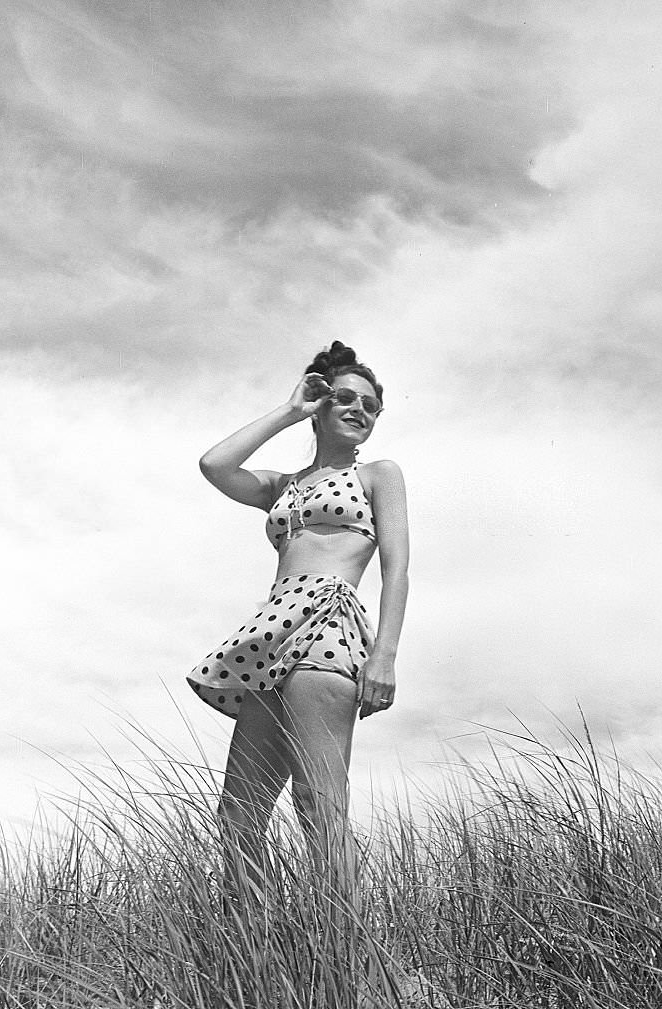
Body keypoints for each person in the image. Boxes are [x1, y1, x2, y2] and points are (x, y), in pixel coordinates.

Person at [186, 341, 409, 895]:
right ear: (322, 403)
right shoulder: (282, 487)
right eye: (346, 398)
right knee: (238, 816)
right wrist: (290, 410)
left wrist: (384, 654)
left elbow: (398, 568)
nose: (360, 410)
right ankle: (257, 954)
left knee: (319, 803)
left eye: (372, 406)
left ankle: (347, 958)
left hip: (331, 626)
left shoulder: (379, 475)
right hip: (270, 636)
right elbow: (215, 464)